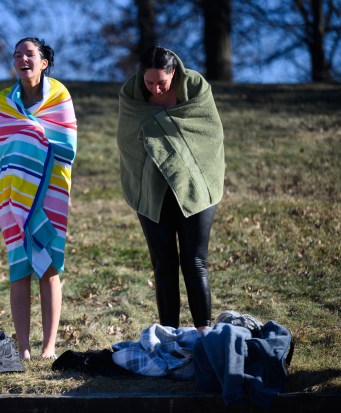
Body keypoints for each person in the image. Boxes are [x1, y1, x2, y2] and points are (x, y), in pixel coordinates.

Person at [116, 46, 225, 333]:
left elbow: (210, 136)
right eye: (150, 82)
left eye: (161, 82)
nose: (155, 87)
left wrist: (167, 143)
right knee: (164, 263)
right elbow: (128, 141)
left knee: (195, 260)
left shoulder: (196, 88)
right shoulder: (132, 94)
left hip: (194, 186)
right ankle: (169, 335)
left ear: (174, 71)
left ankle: (204, 333)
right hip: (152, 190)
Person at [0, 37, 78, 360]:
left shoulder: (59, 95)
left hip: (51, 190)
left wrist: (31, 137)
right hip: (14, 195)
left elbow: (67, 145)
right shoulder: (2, 101)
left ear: (44, 62)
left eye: (29, 54)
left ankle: (49, 347)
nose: (22, 59)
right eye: (17, 55)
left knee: (49, 266)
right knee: (19, 269)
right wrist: (30, 139)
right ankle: (23, 348)